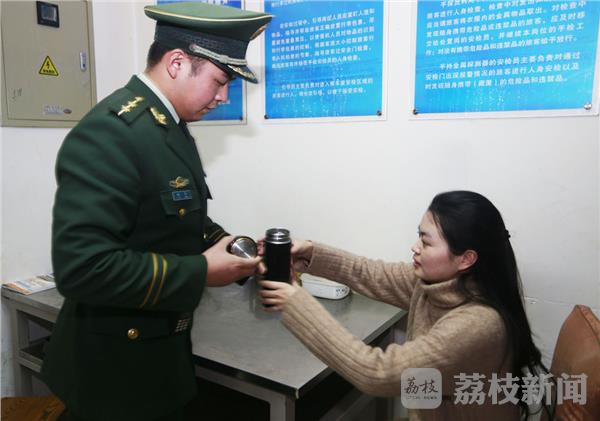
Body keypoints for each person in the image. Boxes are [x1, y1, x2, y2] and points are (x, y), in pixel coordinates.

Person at [42, 3, 272, 421]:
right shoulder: (111, 132)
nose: (223, 97)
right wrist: (201, 272)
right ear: (177, 63)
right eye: (220, 82)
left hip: (158, 355)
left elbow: (179, 214)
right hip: (112, 373)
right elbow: (81, 268)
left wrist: (236, 249)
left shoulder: (167, 125)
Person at [260, 190, 553, 420]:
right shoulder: (436, 285)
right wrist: (311, 253)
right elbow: (370, 273)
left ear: (466, 259)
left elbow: (377, 373)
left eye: (426, 242)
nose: (415, 247)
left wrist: (296, 303)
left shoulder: (478, 324)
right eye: (418, 236)